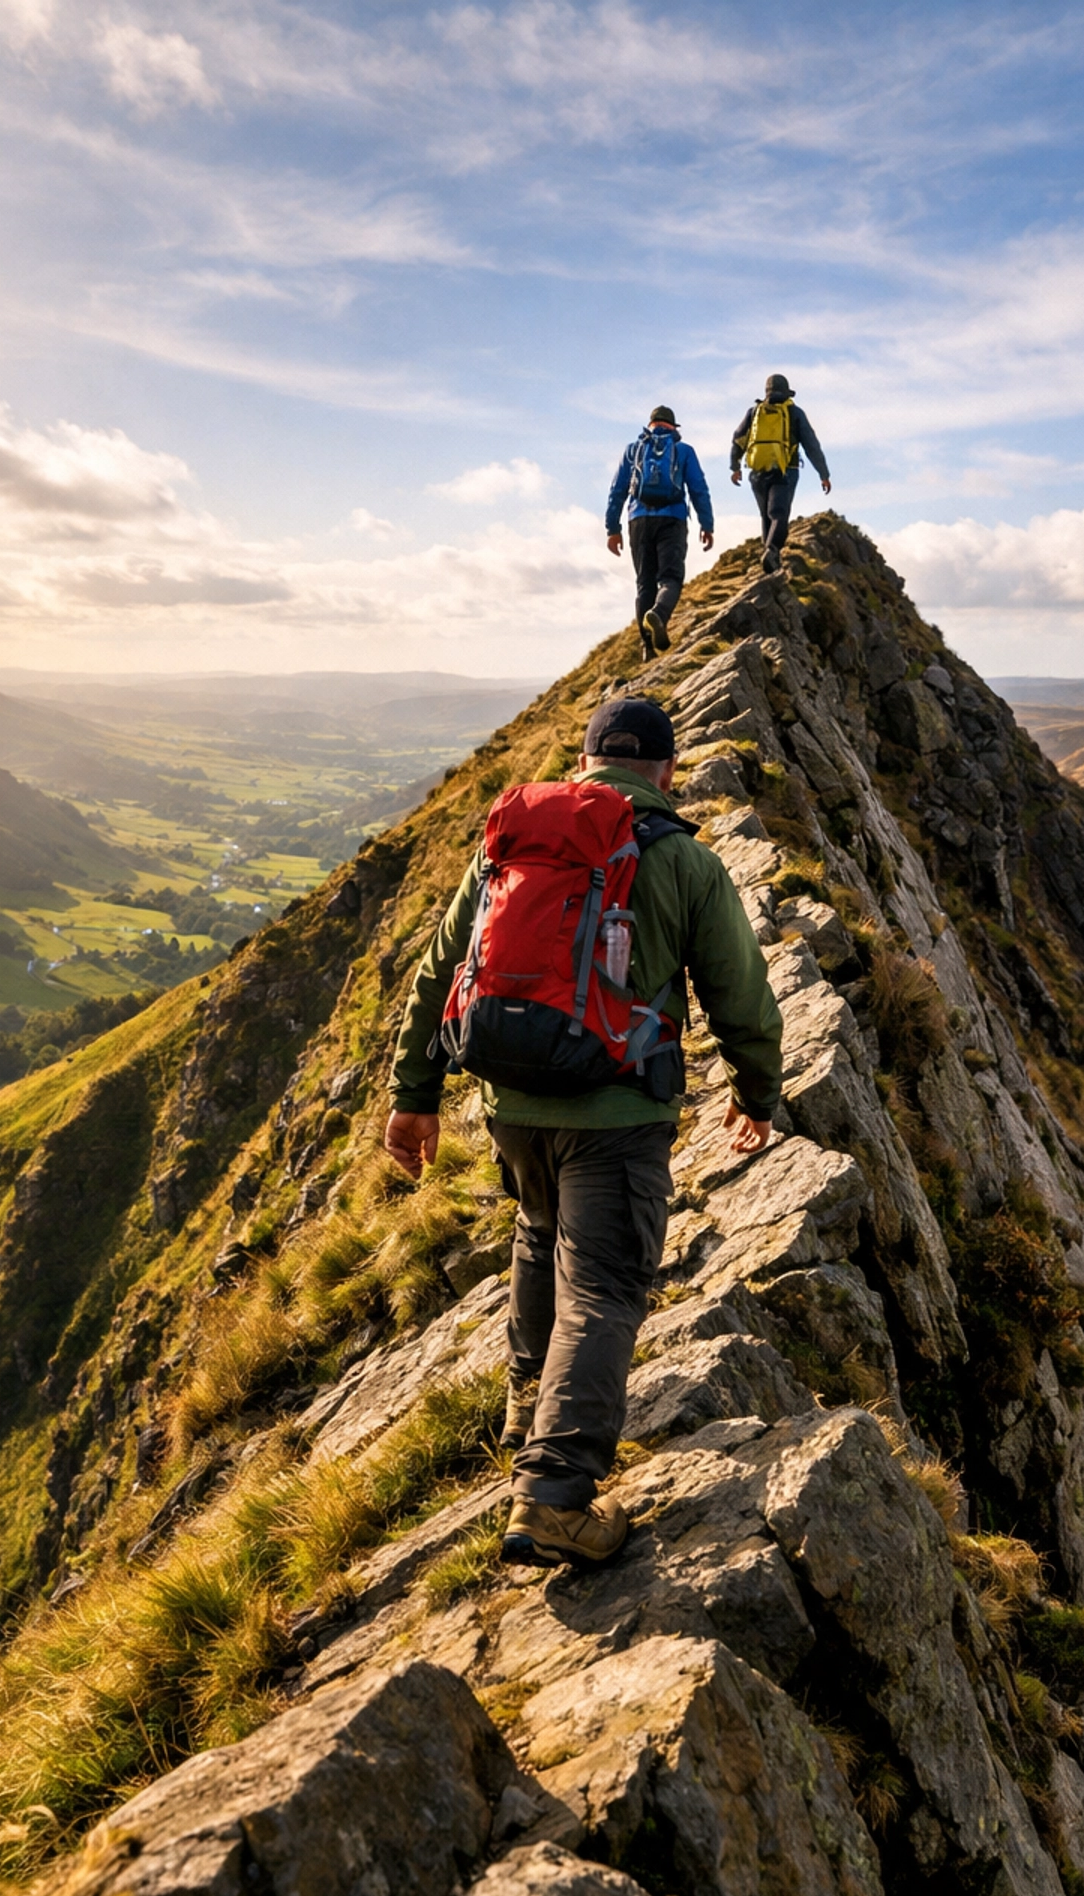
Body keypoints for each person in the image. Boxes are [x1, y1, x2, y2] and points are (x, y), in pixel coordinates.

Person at [384, 695, 782, 1571]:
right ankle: (555, 1497)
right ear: (666, 771)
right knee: (602, 1287)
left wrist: (413, 1095)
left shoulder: (510, 844)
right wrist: (758, 1094)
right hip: (617, 1113)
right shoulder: (681, 859)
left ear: (585, 762)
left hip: (511, 1101)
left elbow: (439, 969)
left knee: (537, 1231)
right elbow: (741, 997)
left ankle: (530, 1408)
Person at [604, 406, 714, 658]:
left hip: (638, 521)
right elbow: (699, 489)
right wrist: (707, 525)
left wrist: (613, 529)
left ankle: (647, 648)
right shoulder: (684, 451)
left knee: (644, 584)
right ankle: (659, 615)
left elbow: (617, 490)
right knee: (670, 578)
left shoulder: (633, 450)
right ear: (673, 427)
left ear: (651, 423)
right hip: (672, 519)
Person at [730, 373, 831, 574]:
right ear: (786, 392)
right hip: (786, 471)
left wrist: (735, 467)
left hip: (757, 471)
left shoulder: (754, 412)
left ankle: (770, 562)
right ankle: (772, 550)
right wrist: (823, 473)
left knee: (766, 516)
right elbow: (811, 445)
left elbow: (737, 439)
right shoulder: (794, 412)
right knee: (779, 514)